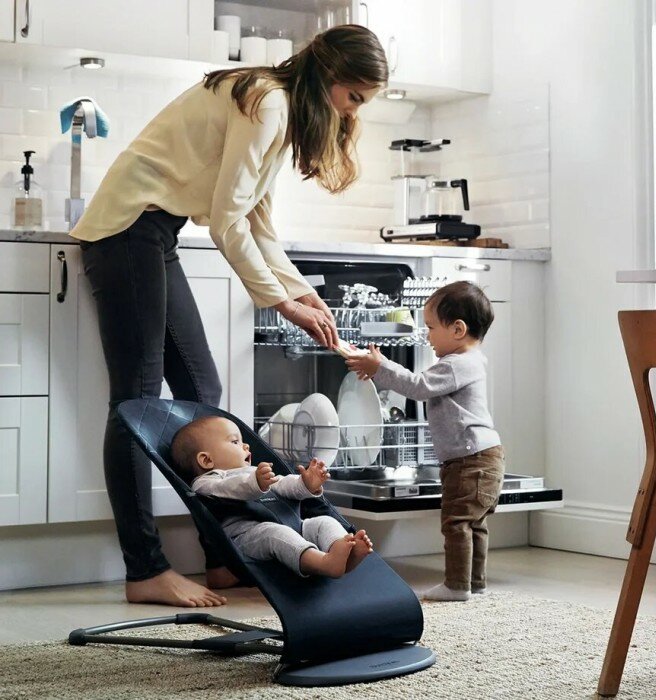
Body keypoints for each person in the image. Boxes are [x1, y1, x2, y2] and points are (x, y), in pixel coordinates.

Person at [69, 25, 388, 607]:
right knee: (136, 402)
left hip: (156, 233)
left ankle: (223, 554)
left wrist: (300, 292)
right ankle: (145, 568)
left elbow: (255, 217)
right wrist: (279, 302)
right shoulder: (267, 101)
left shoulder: (279, 108)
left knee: (202, 394)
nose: (351, 114)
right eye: (353, 98)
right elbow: (226, 221)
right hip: (126, 227)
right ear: (330, 77)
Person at [346, 281, 505, 601]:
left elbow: (418, 387)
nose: (427, 335)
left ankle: (457, 586)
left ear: (458, 329)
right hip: (480, 456)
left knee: (457, 523)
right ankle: (474, 583)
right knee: (473, 524)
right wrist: (381, 367)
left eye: (431, 328)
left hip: (470, 459)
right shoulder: (470, 360)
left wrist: (381, 367)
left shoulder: (458, 364)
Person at [171, 416, 374, 578]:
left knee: (323, 522)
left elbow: (283, 485)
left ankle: (344, 555)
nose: (246, 446)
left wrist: (306, 484)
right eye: (235, 441)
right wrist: (255, 482)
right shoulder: (206, 482)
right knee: (274, 533)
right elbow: (231, 488)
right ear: (206, 460)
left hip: (290, 525)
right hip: (247, 537)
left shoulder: (253, 472)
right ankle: (324, 563)